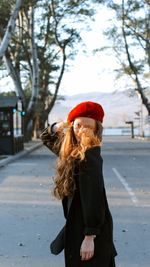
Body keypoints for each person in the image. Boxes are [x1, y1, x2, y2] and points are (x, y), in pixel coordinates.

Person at [40, 101, 117, 267]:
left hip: (88, 230)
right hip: (78, 225)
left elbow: (94, 197)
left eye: (88, 126)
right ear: (71, 125)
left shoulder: (89, 156)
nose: (81, 130)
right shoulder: (72, 151)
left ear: (97, 129)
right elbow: (46, 137)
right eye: (78, 124)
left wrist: (90, 236)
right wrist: (57, 127)